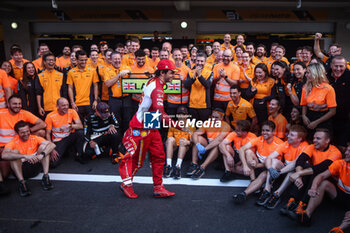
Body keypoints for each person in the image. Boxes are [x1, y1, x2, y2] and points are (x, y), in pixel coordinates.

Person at [118, 59, 179, 199]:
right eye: (171, 73)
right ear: (163, 72)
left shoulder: (155, 81)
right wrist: (177, 125)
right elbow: (161, 113)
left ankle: (158, 187)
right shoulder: (157, 88)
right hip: (141, 126)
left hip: (150, 121)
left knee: (159, 156)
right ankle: (126, 185)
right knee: (137, 161)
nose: (173, 76)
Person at [281, 128, 342, 219]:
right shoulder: (312, 146)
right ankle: (292, 200)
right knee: (305, 168)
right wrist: (299, 176)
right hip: (313, 173)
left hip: (328, 178)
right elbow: (300, 160)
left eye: (318, 138)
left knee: (314, 171)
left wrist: (299, 173)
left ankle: (302, 204)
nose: (314, 140)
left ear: (327, 140)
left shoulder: (335, 152)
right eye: (314, 138)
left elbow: (323, 167)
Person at [295, 144, 350, 226]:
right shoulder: (341, 163)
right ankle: (307, 214)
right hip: (339, 194)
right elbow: (321, 175)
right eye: (347, 150)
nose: (346, 153)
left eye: (349, 151)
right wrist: (313, 188)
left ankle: (339, 229)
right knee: (323, 183)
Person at [233, 121, 283, 204]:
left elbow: (272, 162)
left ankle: (244, 193)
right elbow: (242, 149)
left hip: (271, 168)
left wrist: (257, 165)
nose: (264, 132)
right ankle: (253, 180)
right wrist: (245, 165)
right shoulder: (259, 139)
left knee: (263, 175)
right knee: (248, 152)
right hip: (257, 165)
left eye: (267, 130)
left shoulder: (279, 143)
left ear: (273, 132)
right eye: (263, 130)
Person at [2, 121, 55, 196]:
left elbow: (52, 145)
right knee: (14, 152)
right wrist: (24, 156)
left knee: (44, 147)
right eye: (23, 132)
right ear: (17, 133)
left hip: (35, 166)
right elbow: (4, 155)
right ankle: (22, 183)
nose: (26, 134)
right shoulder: (13, 142)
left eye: (27, 131)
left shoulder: (34, 138)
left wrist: (41, 155)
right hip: (21, 169)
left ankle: (46, 177)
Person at [260, 125, 309, 209]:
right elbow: (269, 157)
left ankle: (277, 194)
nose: (288, 136)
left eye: (292, 135)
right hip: (284, 170)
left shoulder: (305, 146)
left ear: (299, 139)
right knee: (274, 161)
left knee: (293, 169)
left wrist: (279, 172)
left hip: (297, 172)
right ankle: (267, 190)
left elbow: (297, 162)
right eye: (289, 134)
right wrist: (271, 169)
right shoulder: (286, 143)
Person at [187, 109, 230, 179]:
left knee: (218, 145)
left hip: (219, 151)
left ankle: (202, 167)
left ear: (222, 118)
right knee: (197, 139)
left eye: (217, 117)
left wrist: (205, 149)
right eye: (213, 117)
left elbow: (219, 139)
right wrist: (198, 144)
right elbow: (195, 133)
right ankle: (194, 164)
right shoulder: (208, 123)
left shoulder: (226, 126)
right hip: (208, 147)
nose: (214, 119)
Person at [45, 97, 84, 167]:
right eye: (63, 105)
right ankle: (65, 153)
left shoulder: (72, 111)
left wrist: (69, 125)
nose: (66, 107)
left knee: (80, 133)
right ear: (57, 106)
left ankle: (79, 155)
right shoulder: (50, 116)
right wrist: (51, 149)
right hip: (58, 141)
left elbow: (80, 126)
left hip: (69, 137)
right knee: (53, 164)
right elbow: (47, 134)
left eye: (67, 105)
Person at [300, 63, 336, 137]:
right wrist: (303, 115)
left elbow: (332, 111)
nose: (306, 75)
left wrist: (316, 122)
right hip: (309, 117)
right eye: (306, 72)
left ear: (316, 73)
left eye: (308, 72)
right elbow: (304, 105)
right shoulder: (305, 88)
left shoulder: (328, 89)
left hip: (323, 119)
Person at [67, 50, 99, 121]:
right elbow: (70, 88)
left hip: (90, 103)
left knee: (91, 125)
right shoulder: (71, 72)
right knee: (79, 127)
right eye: (81, 60)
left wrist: (95, 100)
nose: (84, 62)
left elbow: (95, 86)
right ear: (77, 60)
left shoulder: (92, 70)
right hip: (77, 104)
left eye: (85, 60)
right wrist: (72, 103)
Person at [104, 51, 132, 133]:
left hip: (127, 98)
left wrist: (130, 73)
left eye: (119, 59)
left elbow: (134, 78)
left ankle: (127, 139)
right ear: (111, 60)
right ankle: (118, 142)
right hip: (114, 100)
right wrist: (118, 75)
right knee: (115, 121)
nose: (117, 60)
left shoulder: (127, 68)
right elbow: (108, 84)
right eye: (115, 59)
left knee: (127, 120)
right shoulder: (107, 70)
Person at [164, 106, 194, 179]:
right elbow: (168, 140)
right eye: (179, 114)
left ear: (187, 116)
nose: (181, 116)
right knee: (170, 139)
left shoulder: (191, 125)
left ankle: (178, 167)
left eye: (183, 114)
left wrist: (188, 142)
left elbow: (193, 142)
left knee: (183, 140)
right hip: (174, 149)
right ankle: (168, 165)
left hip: (185, 149)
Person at [327, 56, 350, 149]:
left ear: (346, 66)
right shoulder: (325, 76)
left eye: (341, 66)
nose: (338, 69)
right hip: (327, 118)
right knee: (328, 145)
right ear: (331, 65)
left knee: (342, 146)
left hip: (345, 119)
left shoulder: (349, 76)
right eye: (336, 66)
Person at [184, 52, 213, 122]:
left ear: (205, 62)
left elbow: (208, 85)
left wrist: (199, 76)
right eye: (198, 61)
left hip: (204, 106)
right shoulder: (190, 73)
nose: (199, 63)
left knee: (204, 128)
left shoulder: (210, 73)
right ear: (195, 61)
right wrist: (194, 77)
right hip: (192, 105)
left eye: (202, 61)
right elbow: (186, 86)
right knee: (193, 127)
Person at [35, 52, 65, 117]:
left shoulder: (61, 75)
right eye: (49, 60)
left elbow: (64, 92)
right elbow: (38, 93)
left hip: (59, 107)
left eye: (53, 60)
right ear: (44, 62)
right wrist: (39, 107)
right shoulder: (40, 76)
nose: (51, 62)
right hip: (46, 108)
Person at [166, 48, 190, 116]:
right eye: (175, 55)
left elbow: (190, 85)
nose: (177, 57)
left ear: (182, 56)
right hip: (171, 101)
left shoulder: (187, 69)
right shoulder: (169, 69)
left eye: (179, 55)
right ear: (172, 57)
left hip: (184, 101)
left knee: (182, 122)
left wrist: (183, 81)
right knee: (172, 122)